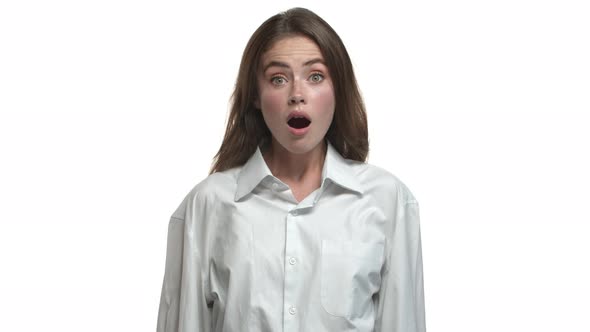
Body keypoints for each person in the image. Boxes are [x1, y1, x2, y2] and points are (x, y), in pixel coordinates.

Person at [157, 7, 426, 332]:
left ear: (337, 89)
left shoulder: (387, 200)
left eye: (315, 76)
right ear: (256, 95)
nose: (297, 95)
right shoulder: (208, 204)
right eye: (278, 79)